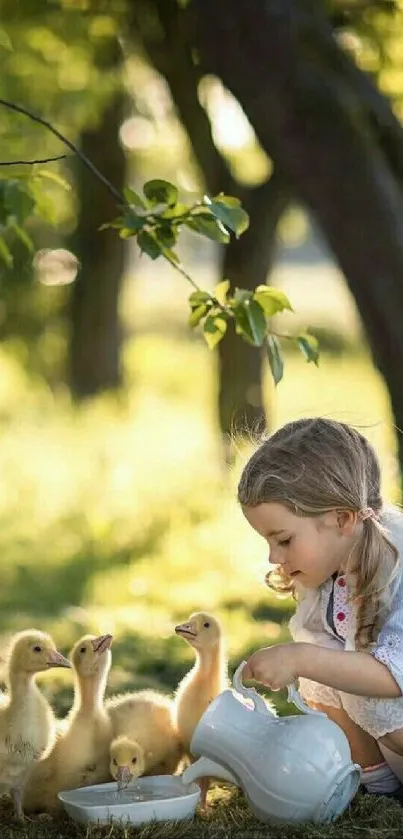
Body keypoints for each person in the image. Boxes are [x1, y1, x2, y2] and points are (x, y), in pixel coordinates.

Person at [238, 417, 403, 799]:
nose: (272, 556)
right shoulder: (329, 572)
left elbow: (395, 676)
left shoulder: (396, 563)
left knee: (319, 661)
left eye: (283, 540)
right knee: (323, 661)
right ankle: (375, 784)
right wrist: (303, 660)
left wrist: (299, 658)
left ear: (342, 518)